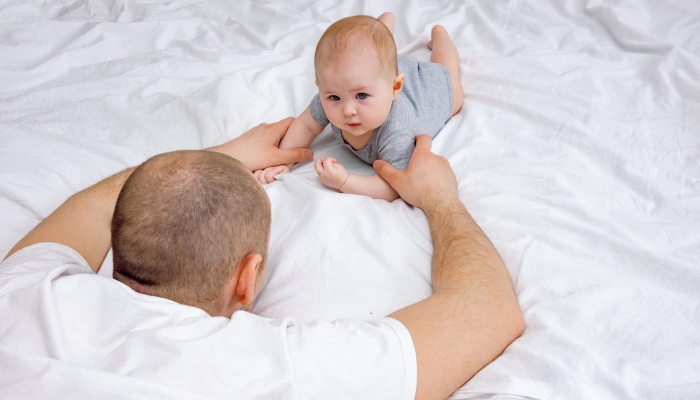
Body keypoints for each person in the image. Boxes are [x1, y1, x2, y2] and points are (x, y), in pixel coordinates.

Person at [0, 118, 524, 400]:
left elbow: (88, 209)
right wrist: (440, 198)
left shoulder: (24, 293)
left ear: (118, 247)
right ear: (247, 279)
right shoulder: (280, 372)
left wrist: (215, 159)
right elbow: (488, 310)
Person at [253, 13, 464, 202]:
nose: (347, 110)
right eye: (334, 97)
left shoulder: (396, 133)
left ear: (395, 88)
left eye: (361, 96)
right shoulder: (336, 95)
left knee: (446, 68)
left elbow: (398, 185)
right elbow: (306, 126)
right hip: (376, 77)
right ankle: (382, 29)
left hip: (434, 90)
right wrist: (284, 160)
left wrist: (346, 182)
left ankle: (441, 36)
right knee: (372, 56)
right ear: (321, 88)